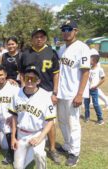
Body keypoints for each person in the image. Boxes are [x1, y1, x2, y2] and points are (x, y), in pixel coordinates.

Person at [19, 28, 60, 164]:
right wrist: (22, 87)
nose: (39, 39)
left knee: (50, 121)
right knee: (29, 116)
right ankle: (30, 141)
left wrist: (55, 92)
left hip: (47, 90)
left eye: (42, 36)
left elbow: (55, 73)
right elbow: (21, 73)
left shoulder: (51, 52)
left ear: (45, 39)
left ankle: (52, 148)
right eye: (36, 36)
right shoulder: (25, 53)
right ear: (32, 39)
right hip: (29, 90)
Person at [56, 20, 90, 167]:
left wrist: (80, 94)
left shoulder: (82, 47)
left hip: (73, 93)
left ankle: (75, 153)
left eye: (69, 29)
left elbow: (86, 72)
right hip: (61, 92)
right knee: (62, 121)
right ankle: (67, 145)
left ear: (76, 31)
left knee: (73, 123)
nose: (66, 31)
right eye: (64, 29)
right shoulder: (61, 48)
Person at [10, 66, 56, 169]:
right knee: (18, 167)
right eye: (27, 78)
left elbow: (50, 121)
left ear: (38, 81)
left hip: (37, 133)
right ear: (23, 79)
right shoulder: (16, 94)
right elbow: (14, 116)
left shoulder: (45, 96)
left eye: (33, 78)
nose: (30, 81)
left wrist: (40, 138)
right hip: (21, 134)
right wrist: (13, 137)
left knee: (39, 154)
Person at [0, 65, 19, 165]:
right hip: (2, 122)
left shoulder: (14, 87)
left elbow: (21, 104)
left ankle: (11, 156)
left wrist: (15, 116)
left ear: (5, 75)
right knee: (4, 146)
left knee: (12, 144)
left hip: (14, 120)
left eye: (1, 75)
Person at [84, 53, 105, 124]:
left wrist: (96, 86)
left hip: (94, 89)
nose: (89, 61)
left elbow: (103, 79)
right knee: (86, 104)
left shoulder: (99, 69)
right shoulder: (88, 68)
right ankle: (87, 117)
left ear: (95, 61)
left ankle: (100, 119)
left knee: (95, 104)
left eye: (90, 60)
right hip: (87, 89)